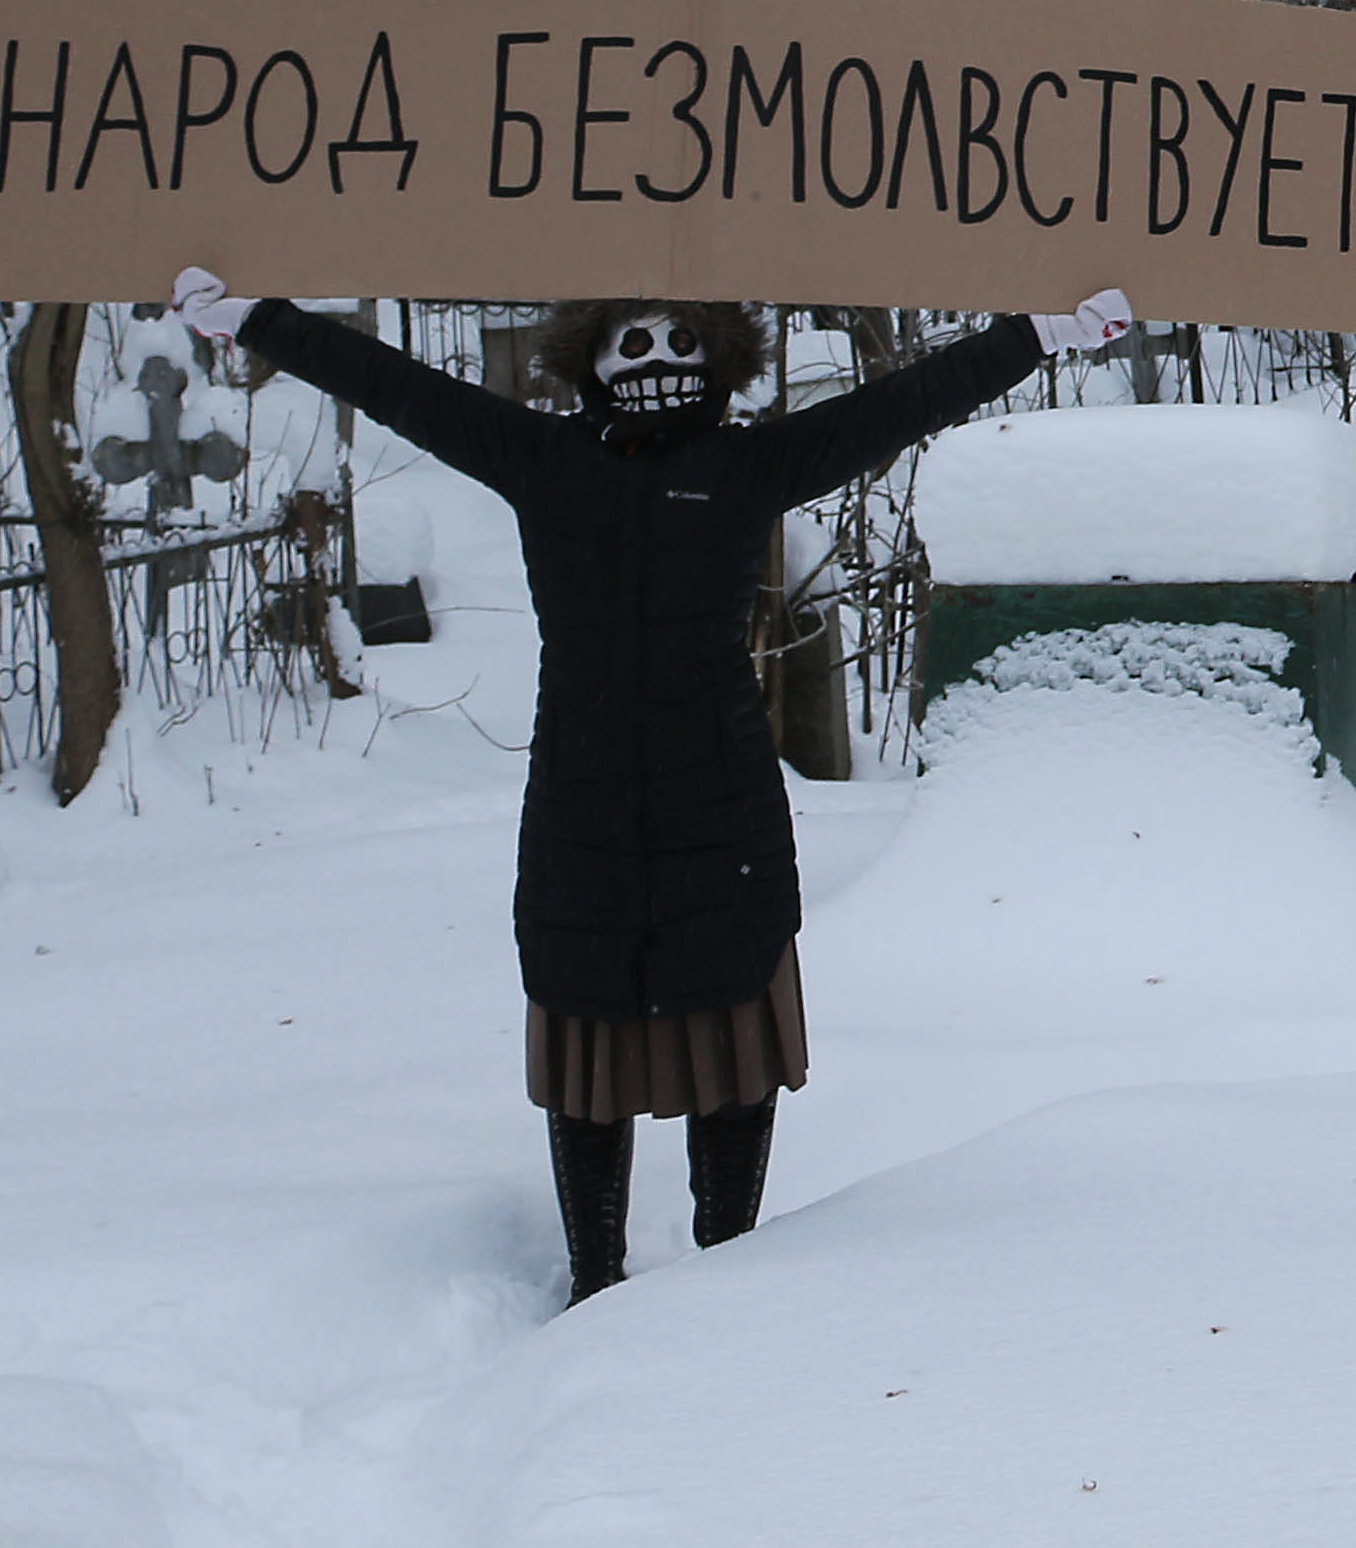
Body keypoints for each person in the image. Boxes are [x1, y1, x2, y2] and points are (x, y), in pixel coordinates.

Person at [172, 268, 1131, 1305]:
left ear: (719, 361)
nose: (660, 365)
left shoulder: (748, 465)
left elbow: (899, 407)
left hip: (721, 804)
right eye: (634, 345)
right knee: (587, 1031)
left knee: (734, 1038)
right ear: (589, 359)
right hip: (582, 800)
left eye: (682, 345)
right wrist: (259, 321)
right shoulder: (541, 461)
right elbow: (395, 385)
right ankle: (594, 1278)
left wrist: (1035, 334)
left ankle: (731, 1270)